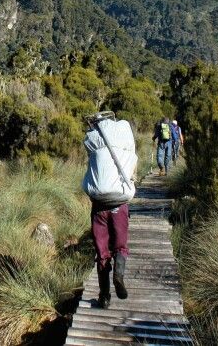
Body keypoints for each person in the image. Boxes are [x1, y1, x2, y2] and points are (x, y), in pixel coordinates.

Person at [82, 110, 138, 309]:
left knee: (102, 252)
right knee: (120, 246)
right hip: (119, 205)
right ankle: (119, 275)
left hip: (99, 206)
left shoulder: (94, 142)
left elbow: (88, 149)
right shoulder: (125, 143)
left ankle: (104, 296)